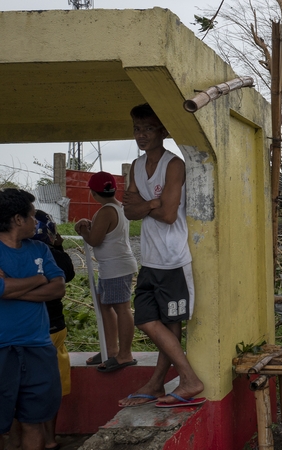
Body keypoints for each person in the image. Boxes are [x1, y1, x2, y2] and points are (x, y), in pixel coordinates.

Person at [118, 103, 204, 408]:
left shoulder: (174, 165)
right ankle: (163, 383)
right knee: (145, 318)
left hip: (172, 258)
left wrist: (147, 205)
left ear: (163, 131)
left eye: (148, 129)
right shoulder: (136, 165)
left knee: (170, 322)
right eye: (136, 129)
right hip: (150, 258)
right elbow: (129, 211)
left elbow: (168, 215)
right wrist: (152, 203)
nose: (141, 135)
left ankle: (183, 381)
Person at [0, 189, 66, 450]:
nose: (35, 222)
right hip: (2, 348)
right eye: (31, 216)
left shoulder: (40, 249)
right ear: (18, 219)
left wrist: (11, 290)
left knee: (34, 421)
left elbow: (58, 288)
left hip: (38, 347)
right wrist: (39, 279)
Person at [74, 172, 138, 374]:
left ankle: (125, 354)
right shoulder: (117, 207)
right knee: (106, 306)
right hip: (113, 266)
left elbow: (94, 240)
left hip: (116, 267)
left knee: (122, 308)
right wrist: (89, 225)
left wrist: (82, 229)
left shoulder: (106, 211)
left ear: (92, 193)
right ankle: (110, 349)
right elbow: (105, 232)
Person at [32, 210, 75, 450]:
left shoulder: (20, 253)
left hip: (33, 331)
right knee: (51, 387)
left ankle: (22, 440)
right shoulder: (55, 255)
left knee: (26, 389)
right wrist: (59, 247)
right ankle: (49, 439)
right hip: (55, 328)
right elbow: (69, 274)